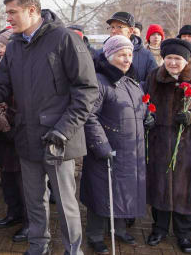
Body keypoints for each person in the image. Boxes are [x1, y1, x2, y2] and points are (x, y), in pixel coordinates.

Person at [0, 0, 99, 255]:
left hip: (59, 140)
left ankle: (73, 251)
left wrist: (63, 131)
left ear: (32, 10)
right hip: (27, 138)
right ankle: (38, 248)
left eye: (12, 12)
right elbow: (1, 85)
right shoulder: (16, 45)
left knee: (66, 204)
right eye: (7, 12)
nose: (8, 19)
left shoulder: (65, 39)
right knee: (34, 202)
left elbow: (88, 90)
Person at [144, 38, 191, 253]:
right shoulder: (154, 76)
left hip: (189, 146)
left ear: (186, 60)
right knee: (159, 186)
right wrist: (147, 117)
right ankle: (158, 229)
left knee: (185, 190)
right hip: (159, 143)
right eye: (168, 58)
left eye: (177, 59)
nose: (172, 63)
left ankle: (184, 234)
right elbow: (146, 100)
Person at [81, 35, 149, 254]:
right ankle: (94, 234)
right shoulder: (100, 82)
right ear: (109, 56)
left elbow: (135, 106)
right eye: (121, 55)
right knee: (102, 192)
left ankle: (119, 228)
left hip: (131, 148)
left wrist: (148, 115)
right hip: (108, 148)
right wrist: (101, 146)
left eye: (129, 55)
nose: (127, 59)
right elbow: (89, 117)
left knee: (124, 191)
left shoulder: (131, 80)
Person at [0, 28, 29, 242]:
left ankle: (28, 222)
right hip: (3, 132)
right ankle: (13, 212)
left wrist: (10, 118)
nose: (0, 49)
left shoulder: (24, 65)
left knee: (23, 180)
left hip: (20, 130)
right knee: (6, 176)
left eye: (4, 44)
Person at [98, 12, 158, 84]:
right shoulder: (100, 54)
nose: (113, 31)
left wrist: (134, 88)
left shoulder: (146, 56)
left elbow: (153, 84)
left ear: (130, 31)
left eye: (119, 27)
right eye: (112, 27)